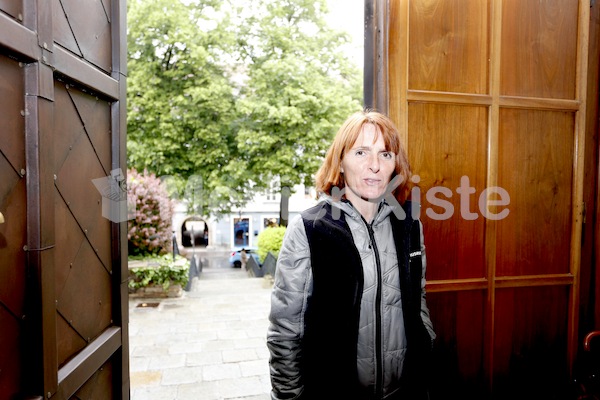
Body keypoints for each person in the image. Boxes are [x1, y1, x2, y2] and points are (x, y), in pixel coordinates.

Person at [267, 110, 436, 400]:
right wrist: (287, 397)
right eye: (361, 152)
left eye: (385, 154)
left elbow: (417, 300)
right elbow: (285, 330)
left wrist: (426, 361)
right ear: (341, 163)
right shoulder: (310, 228)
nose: (375, 166)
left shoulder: (409, 224)